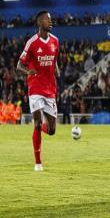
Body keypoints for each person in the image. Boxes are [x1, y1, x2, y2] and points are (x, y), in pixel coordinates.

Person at [16, 10, 60, 171]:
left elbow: (54, 59)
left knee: (52, 130)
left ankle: (41, 127)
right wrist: (28, 71)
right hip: (35, 87)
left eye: (50, 19)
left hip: (50, 88)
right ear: (40, 23)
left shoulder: (55, 41)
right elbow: (19, 65)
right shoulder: (32, 43)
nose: (51, 21)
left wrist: (57, 69)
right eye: (48, 19)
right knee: (36, 122)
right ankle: (38, 163)